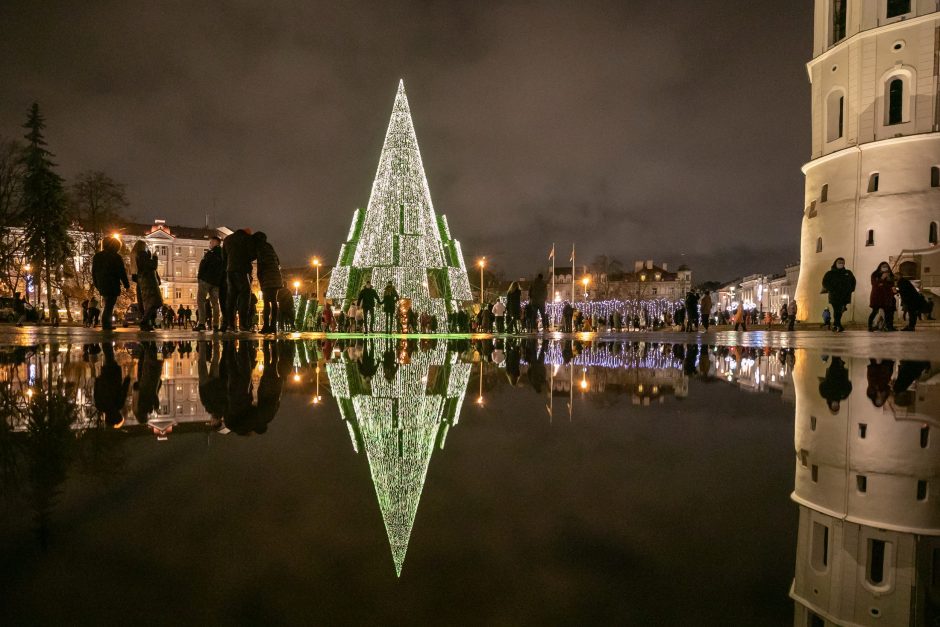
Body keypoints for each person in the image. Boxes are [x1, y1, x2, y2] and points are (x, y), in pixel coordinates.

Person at [222, 228, 257, 332]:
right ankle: (243, 324)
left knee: (231, 298)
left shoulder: (227, 239)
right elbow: (252, 255)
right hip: (242, 270)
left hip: (230, 271)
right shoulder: (247, 238)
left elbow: (224, 257)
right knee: (245, 297)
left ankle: (230, 325)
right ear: (247, 233)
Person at [253, 232, 284, 334]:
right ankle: (273, 326)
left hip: (267, 278)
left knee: (266, 302)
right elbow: (278, 262)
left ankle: (266, 326)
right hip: (276, 277)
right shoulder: (270, 247)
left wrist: (260, 279)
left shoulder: (259, 248)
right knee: (274, 301)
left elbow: (261, 265)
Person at [94, 342, 131, 427]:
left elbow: (124, 391)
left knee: (109, 357)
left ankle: (106, 340)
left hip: (114, 377)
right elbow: (95, 392)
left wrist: (127, 378)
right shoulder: (100, 406)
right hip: (104, 378)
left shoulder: (118, 405)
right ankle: (105, 342)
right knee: (108, 359)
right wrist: (97, 379)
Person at [131, 240, 163, 331]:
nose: (147, 247)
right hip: (149, 283)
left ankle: (146, 322)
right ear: (142, 247)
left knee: (150, 304)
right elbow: (153, 266)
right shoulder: (141, 254)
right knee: (155, 303)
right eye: (146, 246)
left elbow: (135, 275)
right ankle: (144, 322)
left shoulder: (136, 256)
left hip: (144, 283)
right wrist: (155, 257)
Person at [196, 236, 224, 331]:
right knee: (215, 304)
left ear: (216, 242)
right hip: (216, 283)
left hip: (206, 280)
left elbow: (203, 265)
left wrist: (199, 277)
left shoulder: (210, 253)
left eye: (211, 242)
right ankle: (216, 325)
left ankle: (202, 323)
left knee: (201, 301)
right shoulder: (223, 254)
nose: (210, 244)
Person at [820, 257, 855, 332]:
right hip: (834, 296)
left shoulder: (848, 273)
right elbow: (825, 282)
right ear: (835, 263)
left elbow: (853, 281)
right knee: (837, 310)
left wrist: (851, 289)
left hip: (845, 296)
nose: (841, 264)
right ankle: (838, 325)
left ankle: (836, 325)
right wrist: (831, 289)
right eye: (839, 262)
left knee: (839, 310)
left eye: (842, 262)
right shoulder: (830, 273)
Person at [868, 261, 896, 331]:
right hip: (877, 296)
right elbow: (874, 284)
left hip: (887, 296)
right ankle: (869, 326)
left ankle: (888, 326)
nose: (885, 268)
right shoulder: (875, 274)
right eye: (883, 266)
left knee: (888, 312)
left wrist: (885, 283)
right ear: (880, 267)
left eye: (886, 266)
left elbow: (891, 285)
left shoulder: (890, 275)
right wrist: (882, 279)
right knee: (875, 311)